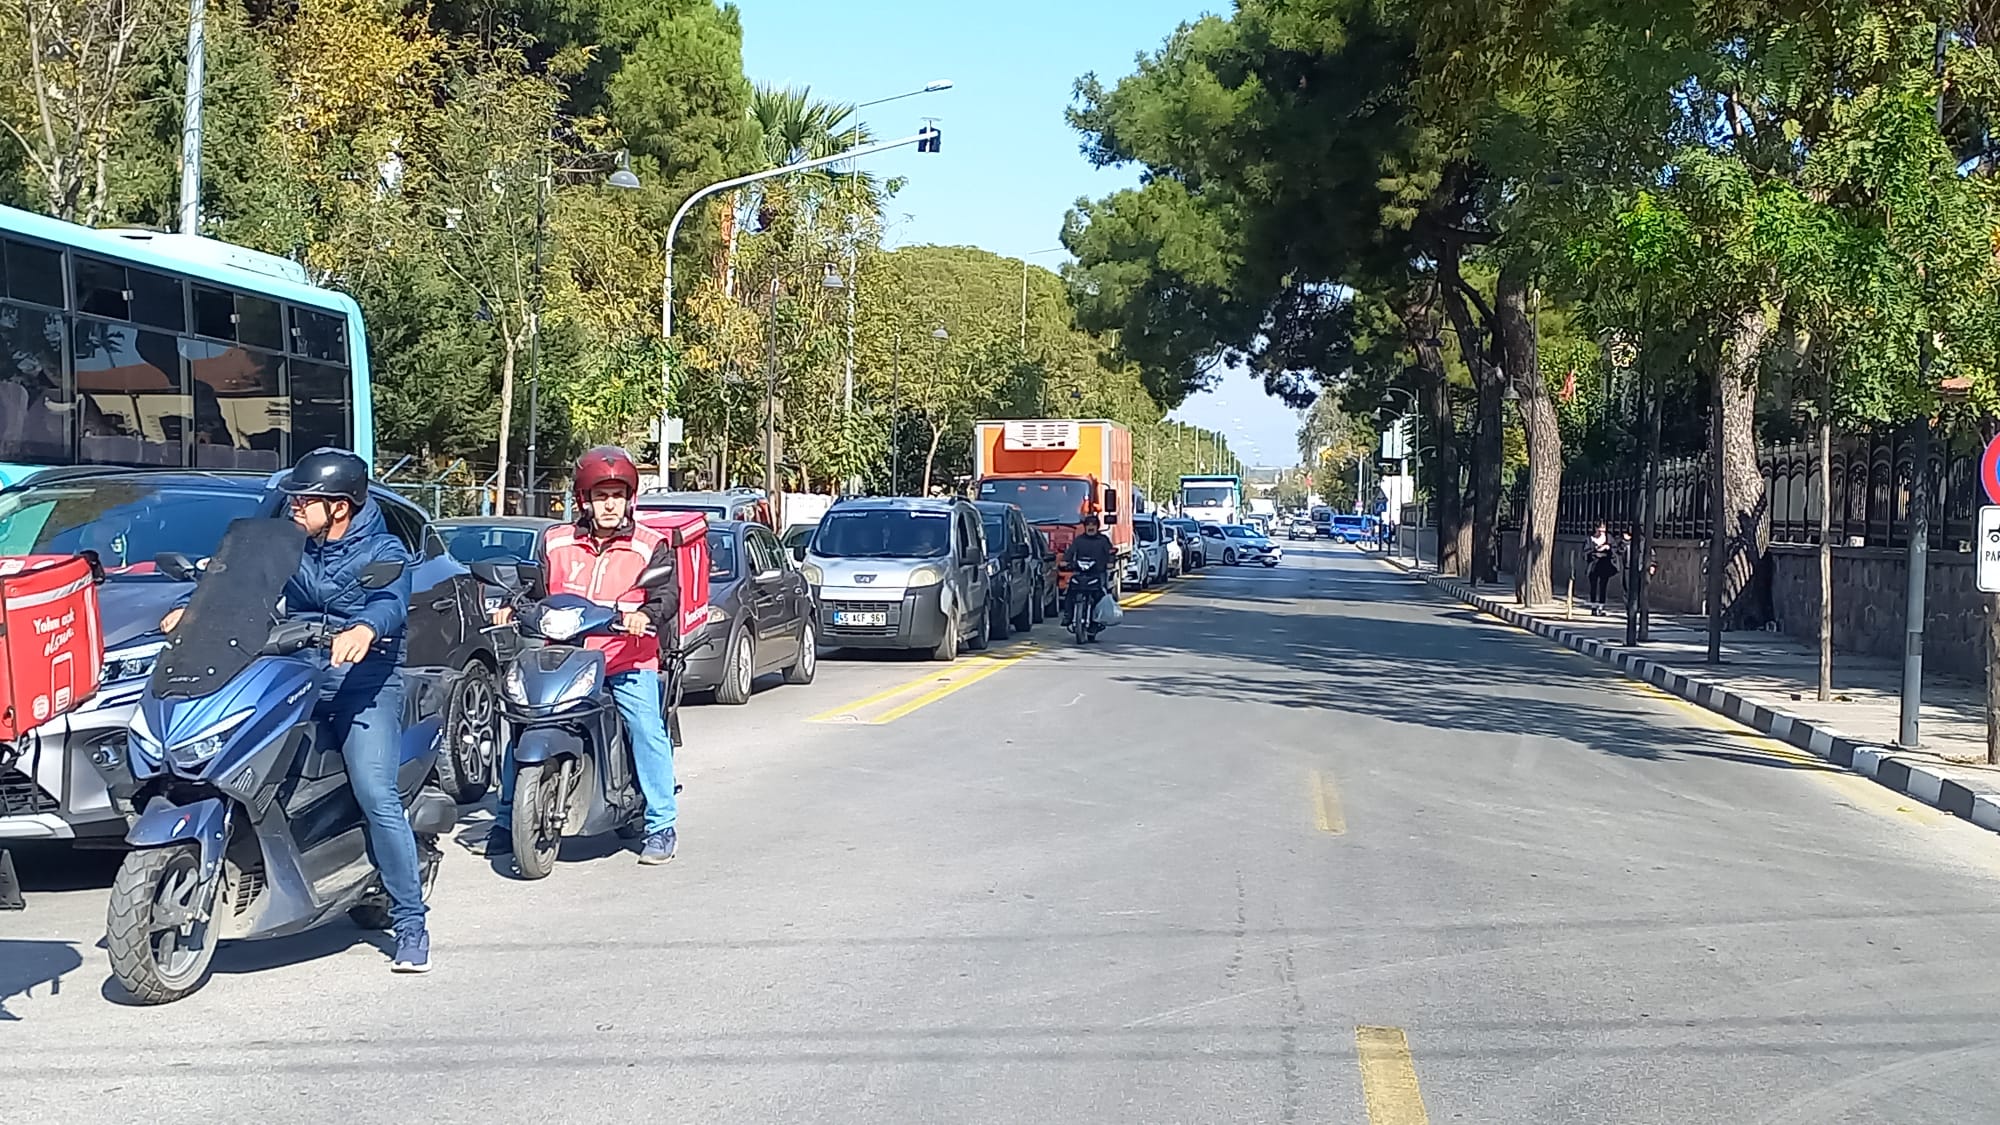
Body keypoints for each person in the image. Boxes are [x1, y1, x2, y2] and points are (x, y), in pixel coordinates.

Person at [159, 448, 430, 972]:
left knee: (376, 795)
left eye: (307, 500)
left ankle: (411, 922)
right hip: (296, 675)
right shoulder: (286, 543)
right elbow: (238, 584)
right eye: (296, 499)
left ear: (341, 507)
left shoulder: (383, 547)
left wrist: (365, 629)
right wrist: (192, 613)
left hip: (363, 686)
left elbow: (390, 601)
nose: (296, 508)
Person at [477, 446, 682, 865]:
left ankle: (662, 825)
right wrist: (511, 605)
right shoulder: (555, 539)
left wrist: (646, 615)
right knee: (522, 720)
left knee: (645, 728)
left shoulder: (650, 545)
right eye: (600, 495)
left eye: (617, 495)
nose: (610, 504)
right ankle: (505, 819)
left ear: (629, 499)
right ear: (583, 500)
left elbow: (667, 594)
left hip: (625, 658)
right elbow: (535, 588)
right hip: (564, 658)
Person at [1062, 514, 1114, 631]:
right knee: (1070, 591)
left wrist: (1110, 562)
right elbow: (1070, 552)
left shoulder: (1103, 540)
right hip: (1081, 573)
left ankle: (1097, 620)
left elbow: (1110, 552)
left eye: (1093, 525)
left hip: (1098, 573)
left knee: (1100, 595)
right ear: (1084, 527)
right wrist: (1065, 561)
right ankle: (1068, 615)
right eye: (1088, 525)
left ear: (1097, 527)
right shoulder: (1079, 540)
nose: (1091, 527)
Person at [1583, 521, 1618, 615]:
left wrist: (1608, 547)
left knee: (1603, 586)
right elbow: (1585, 552)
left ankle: (1601, 606)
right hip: (1594, 564)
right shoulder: (1590, 539)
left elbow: (1615, 549)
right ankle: (1593, 607)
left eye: (1604, 528)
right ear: (1595, 528)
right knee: (1593, 586)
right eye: (1600, 528)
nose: (1602, 531)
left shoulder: (1609, 538)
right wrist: (1595, 550)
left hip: (1605, 564)